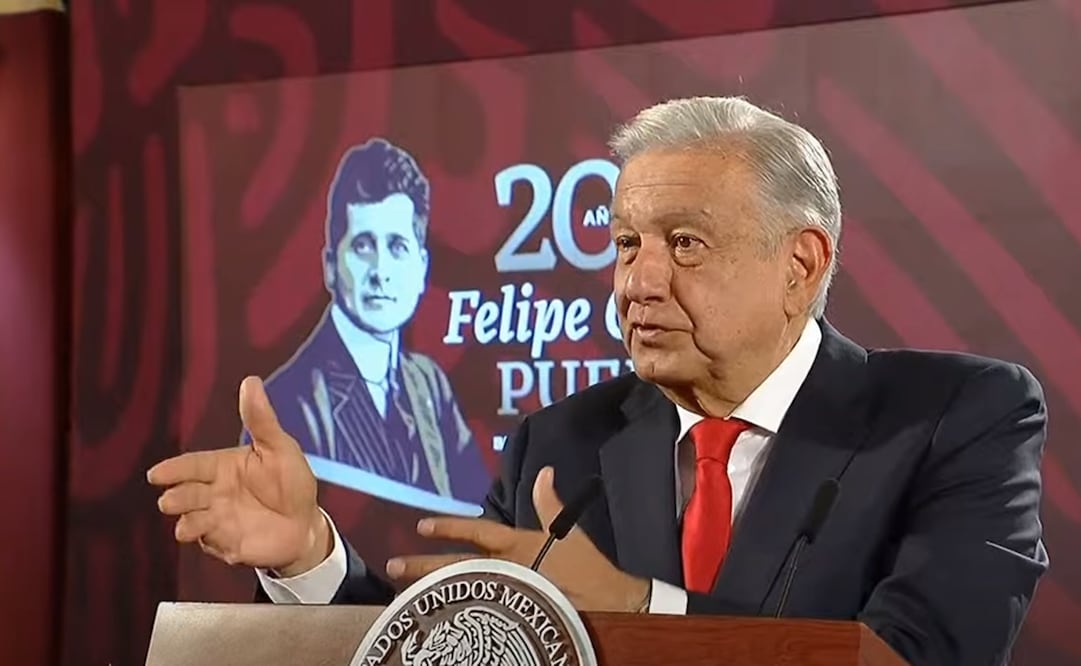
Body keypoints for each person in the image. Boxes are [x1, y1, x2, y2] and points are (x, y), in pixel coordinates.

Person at [149, 97, 1048, 665]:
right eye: (625, 243)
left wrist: (635, 607)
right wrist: (308, 557)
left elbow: (920, 656)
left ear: (800, 264)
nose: (637, 282)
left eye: (684, 244)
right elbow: (464, 648)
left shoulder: (955, 417)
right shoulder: (561, 445)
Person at [248, 137, 490, 512]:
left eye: (397, 247)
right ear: (331, 265)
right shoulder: (288, 404)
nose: (380, 271)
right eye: (363, 246)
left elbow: (484, 516)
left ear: (421, 267)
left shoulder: (429, 383)